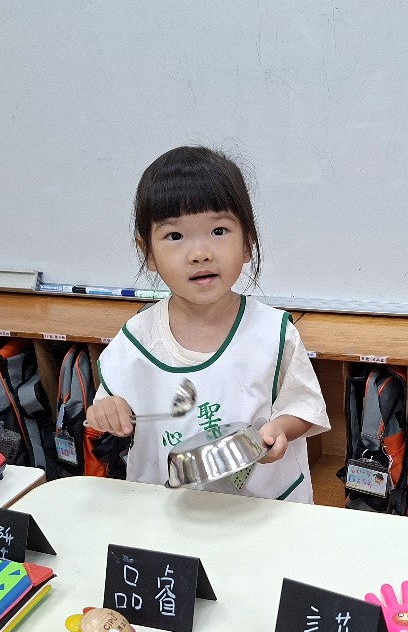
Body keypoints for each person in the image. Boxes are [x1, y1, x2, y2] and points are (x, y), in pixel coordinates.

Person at [86, 146, 329, 502]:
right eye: (175, 236)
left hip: (262, 506)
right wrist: (108, 411)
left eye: (218, 230)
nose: (200, 253)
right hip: (169, 507)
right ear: (148, 252)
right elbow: (106, 407)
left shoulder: (273, 333)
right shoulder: (137, 340)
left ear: (247, 243)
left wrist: (280, 429)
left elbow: (304, 407)